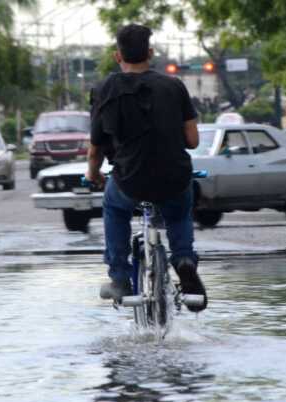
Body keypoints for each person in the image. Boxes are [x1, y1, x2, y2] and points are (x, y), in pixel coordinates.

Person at [86, 24, 207, 312]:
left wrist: (93, 174)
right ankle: (184, 259)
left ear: (118, 56)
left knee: (114, 208)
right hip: (174, 176)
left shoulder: (104, 90)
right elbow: (192, 140)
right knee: (178, 212)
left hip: (130, 179)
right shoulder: (174, 86)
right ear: (150, 53)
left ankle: (119, 277)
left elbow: (96, 148)